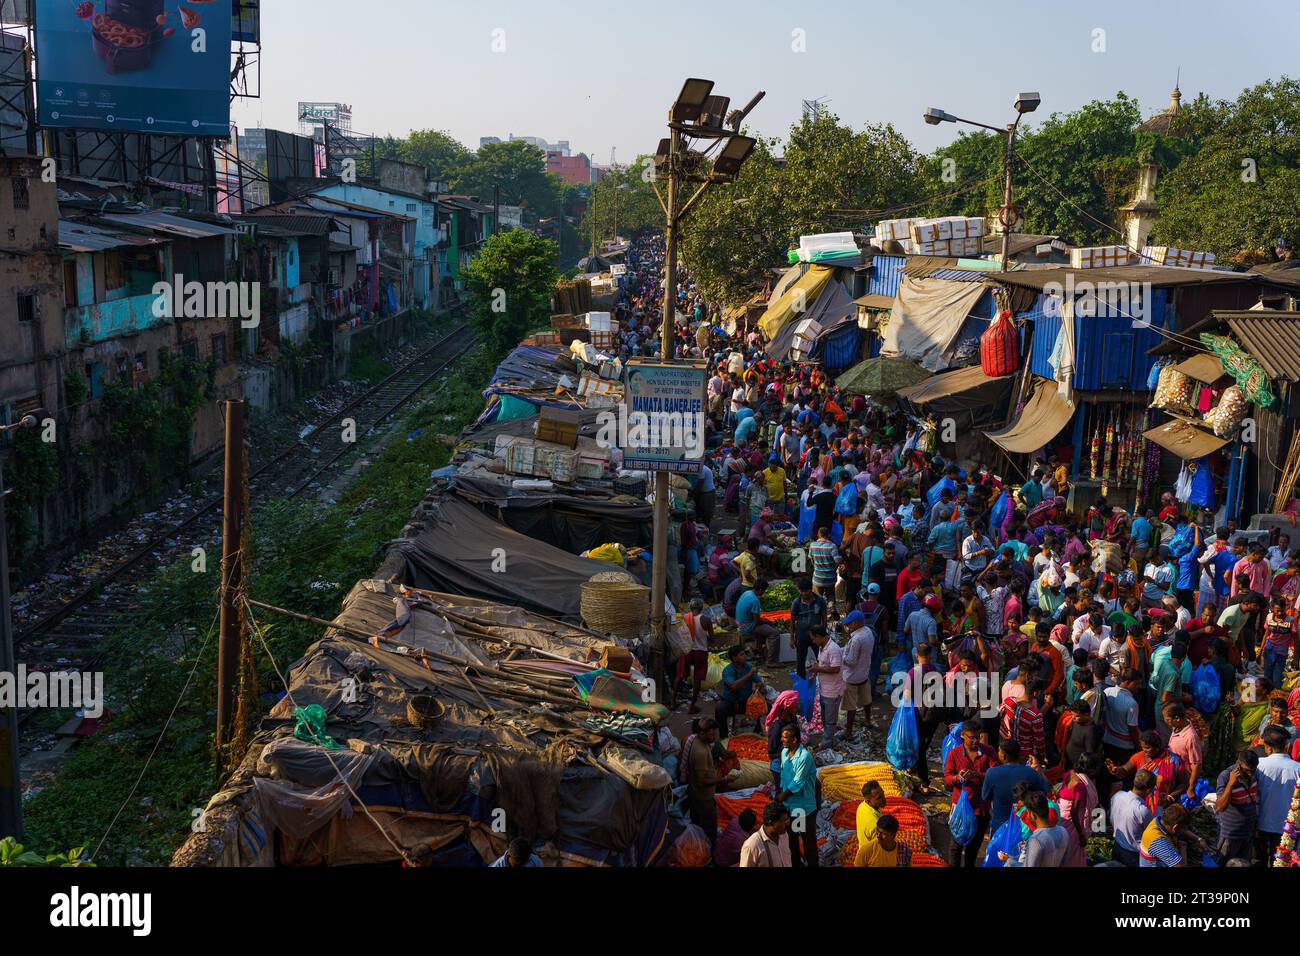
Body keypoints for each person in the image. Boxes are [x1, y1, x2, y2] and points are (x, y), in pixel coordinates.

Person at [943, 720, 999, 866]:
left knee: (973, 848)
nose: (975, 741)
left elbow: (995, 774)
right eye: (971, 737)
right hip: (960, 809)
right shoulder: (954, 754)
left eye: (978, 737)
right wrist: (957, 778)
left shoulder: (989, 751)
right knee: (956, 845)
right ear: (962, 735)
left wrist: (977, 775)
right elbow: (947, 778)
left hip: (981, 808)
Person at [1256, 725, 1300, 864]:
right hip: (1286, 829)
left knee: (1260, 859)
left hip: (1261, 823)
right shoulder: (1297, 768)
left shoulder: (1258, 765)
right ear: (1287, 746)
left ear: (1268, 747)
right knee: (1281, 862)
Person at [982, 739, 1047, 828]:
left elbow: (985, 796)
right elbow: (1045, 790)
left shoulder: (991, 773)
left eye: (999, 751)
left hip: (1000, 827)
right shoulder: (1031, 772)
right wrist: (1039, 770)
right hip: (1024, 826)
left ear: (1004, 756)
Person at [777, 724, 818, 867]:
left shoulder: (804, 757)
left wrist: (781, 797)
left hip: (802, 807)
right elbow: (784, 776)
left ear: (794, 740)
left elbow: (797, 782)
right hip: (791, 806)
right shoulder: (784, 752)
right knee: (792, 840)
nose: (782, 740)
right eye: (782, 737)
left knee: (807, 842)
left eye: (785, 737)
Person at [1214, 749, 1260, 865]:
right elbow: (1220, 807)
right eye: (1247, 771)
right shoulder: (1225, 776)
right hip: (1230, 835)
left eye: (1253, 771)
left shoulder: (1255, 773)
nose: (1251, 774)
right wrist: (1230, 784)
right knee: (1223, 862)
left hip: (1247, 833)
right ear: (1238, 763)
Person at [684, 717, 727, 844]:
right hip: (702, 797)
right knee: (709, 828)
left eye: (715, 733)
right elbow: (702, 781)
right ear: (701, 733)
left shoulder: (697, 741)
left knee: (697, 824)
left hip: (695, 793)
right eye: (711, 734)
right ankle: (710, 852)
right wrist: (723, 779)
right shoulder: (701, 752)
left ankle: (699, 844)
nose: (714, 737)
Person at [840, 609, 876, 740]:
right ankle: (868, 720)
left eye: (849, 623)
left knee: (851, 706)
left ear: (856, 623)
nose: (847, 626)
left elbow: (851, 661)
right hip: (864, 673)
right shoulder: (868, 632)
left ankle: (848, 731)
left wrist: (842, 655)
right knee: (866, 700)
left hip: (852, 676)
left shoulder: (856, 639)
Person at [674, 598, 714, 713]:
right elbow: (712, 637)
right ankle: (692, 706)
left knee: (679, 676)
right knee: (697, 679)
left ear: (690, 608)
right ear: (701, 608)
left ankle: (672, 702)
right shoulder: (706, 620)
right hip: (700, 652)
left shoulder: (684, 619)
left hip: (687, 651)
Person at [1110, 770, 1156, 866]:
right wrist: (1160, 807)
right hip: (1132, 854)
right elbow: (1153, 833)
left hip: (1117, 846)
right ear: (1148, 790)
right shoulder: (1142, 810)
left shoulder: (1118, 795)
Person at [1139, 803, 1208, 867]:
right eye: (1184, 829)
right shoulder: (1159, 842)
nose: (1185, 831)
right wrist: (1183, 847)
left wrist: (1198, 839)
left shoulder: (1160, 820)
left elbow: (1182, 831)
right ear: (1175, 827)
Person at [808, 625, 844, 742]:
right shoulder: (822, 647)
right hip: (824, 688)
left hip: (833, 690)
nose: (813, 641)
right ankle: (827, 737)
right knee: (824, 717)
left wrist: (817, 670)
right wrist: (815, 673)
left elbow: (835, 669)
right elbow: (822, 664)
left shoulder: (833, 649)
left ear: (819, 636)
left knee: (830, 720)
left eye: (814, 639)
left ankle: (827, 742)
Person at [715, 645, 760, 738]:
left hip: (747, 702)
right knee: (719, 709)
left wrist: (759, 686)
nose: (745, 656)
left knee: (766, 706)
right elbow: (733, 686)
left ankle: (757, 730)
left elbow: (758, 681)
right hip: (731, 702)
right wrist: (750, 674)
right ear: (734, 658)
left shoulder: (748, 666)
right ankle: (724, 736)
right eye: (741, 655)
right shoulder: (728, 670)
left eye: (744, 654)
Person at [789, 578, 828, 680]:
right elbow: (792, 621)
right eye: (801, 591)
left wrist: (824, 634)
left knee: (821, 658)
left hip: (817, 636)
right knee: (800, 660)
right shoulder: (796, 603)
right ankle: (801, 680)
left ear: (811, 589)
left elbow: (824, 618)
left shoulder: (820, 601)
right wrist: (792, 638)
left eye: (806, 591)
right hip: (801, 636)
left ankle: (822, 678)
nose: (804, 593)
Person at [739, 802, 793, 867]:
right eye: (783, 820)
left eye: (787, 819)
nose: (787, 824)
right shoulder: (752, 845)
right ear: (770, 822)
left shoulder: (784, 835)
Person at [853, 779, 888, 864]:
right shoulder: (875, 824)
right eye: (879, 798)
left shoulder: (862, 805)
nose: (884, 798)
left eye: (883, 793)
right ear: (869, 801)